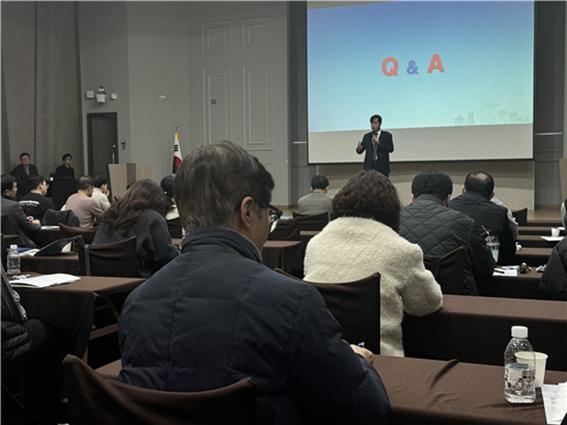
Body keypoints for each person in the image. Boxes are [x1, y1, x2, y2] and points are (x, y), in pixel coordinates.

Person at [118, 141, 391, 424]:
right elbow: (367, 412)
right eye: (269, 214)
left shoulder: (137, 303)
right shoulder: (292, 303)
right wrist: (360, 362)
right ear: (247, 212)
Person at [304, 170, 442, 357]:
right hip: (378, 361)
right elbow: (427, 304)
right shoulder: (402, 250)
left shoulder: (315, 244)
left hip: (319, 354)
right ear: (392, 210)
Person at [399, 171, 495, 296]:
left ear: (413, 197)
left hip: (403, 300)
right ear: (448, 199)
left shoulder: (393, 219)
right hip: (456, 301)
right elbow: (486, 270)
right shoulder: (465, 222)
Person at [92, 179, 179, 278]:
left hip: (101, 280)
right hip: (139, 283)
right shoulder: (153, 219)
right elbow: (167, 257)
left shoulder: (110, 214)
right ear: (157, 200)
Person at [449, 171, 516, 265]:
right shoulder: (499, 211)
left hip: (451, 264)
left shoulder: (448, 207)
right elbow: (509, 250)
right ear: (491, 195)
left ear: (463, 190)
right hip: (485, 266)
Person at [1, 175, 40, 247]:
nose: (16, 190)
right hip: (15, 244)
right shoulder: (14, 205)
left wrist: (25, 219)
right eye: (15, 187)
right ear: (7, 192)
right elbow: (30, 227)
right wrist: (37, 223)